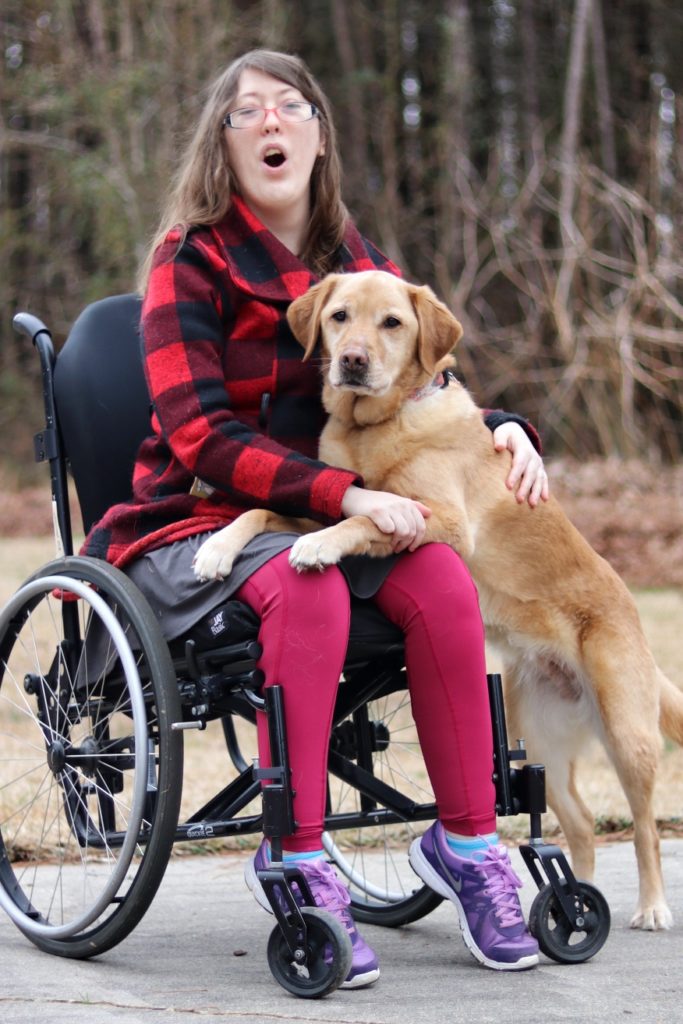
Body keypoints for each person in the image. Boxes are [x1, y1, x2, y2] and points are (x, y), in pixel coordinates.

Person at [82, 49, 549, 987]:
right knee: (315, 588)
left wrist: (504, 431)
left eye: (289, 107)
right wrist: (343, 498)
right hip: (196, 526)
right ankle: (294, 855)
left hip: (327, 518)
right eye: (245, 111)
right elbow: (202, 438)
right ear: (224, 142)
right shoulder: (191, 257)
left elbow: (424, 382)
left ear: (318, 136)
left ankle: (466, 844)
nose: (269, 123)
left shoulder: (356, 262)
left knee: (442, 582)